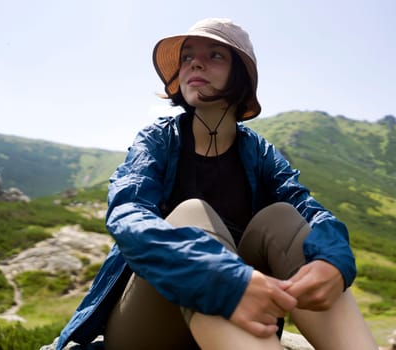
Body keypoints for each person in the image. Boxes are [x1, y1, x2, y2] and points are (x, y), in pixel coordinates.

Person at [55, 18, 378, 350]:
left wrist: (334, 259)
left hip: (242, 319)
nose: (195, 62)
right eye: (187, 57)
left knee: (281, 218)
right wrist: (216, 273)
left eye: (215, 55)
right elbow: (127, 213)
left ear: (240, 74)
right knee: (192, 214)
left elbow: (309, 211)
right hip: (149, 326)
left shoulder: (260, 153)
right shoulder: (157, 140)